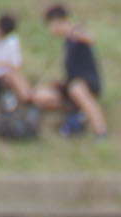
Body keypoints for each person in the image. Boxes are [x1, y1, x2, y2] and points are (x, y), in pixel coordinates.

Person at [34, 5, 108, 138]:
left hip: (87, 82)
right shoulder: (66, 42)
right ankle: (78, 110)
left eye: (50, 25)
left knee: (76, 89)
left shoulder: (76, 33)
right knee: (40, 97)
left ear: (57, 22)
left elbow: (90, 38)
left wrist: (73, 31)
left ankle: (100, 131)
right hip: (71, 83)